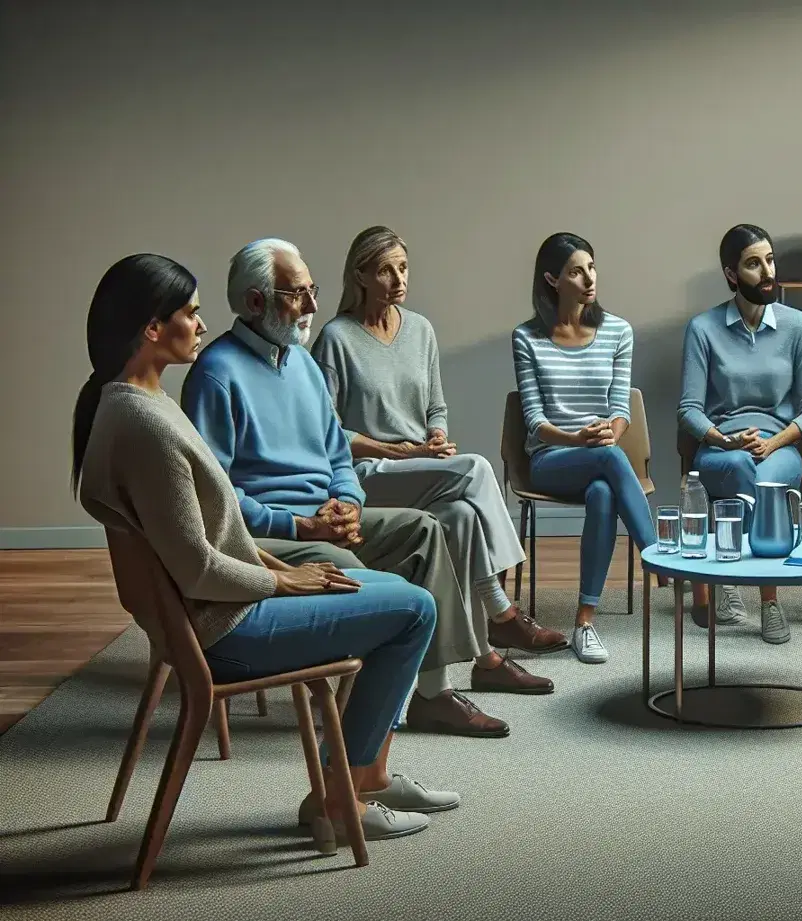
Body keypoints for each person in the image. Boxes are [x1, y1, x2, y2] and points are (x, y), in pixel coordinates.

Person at [75, 254, 455, 843]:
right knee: (414, 610)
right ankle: (337, 799)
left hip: (219, 614)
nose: (203, 325)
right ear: (153, 327)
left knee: (402, 593)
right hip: (226, 632)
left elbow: (208, 533)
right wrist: (285, 579)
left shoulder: (136, 405)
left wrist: (281, 564)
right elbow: (200, 570)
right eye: (191, 314)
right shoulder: (146, 424)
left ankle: (366, 779)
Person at [181, 239, 524, 741]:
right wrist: (301, 524)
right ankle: (360, 709)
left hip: (327, 515)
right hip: (272, 536)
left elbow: (337, 455)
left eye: (313, 290)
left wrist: (349, 501)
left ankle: (434, 695)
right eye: (297, 295)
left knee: (427, 531)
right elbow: (218, 501)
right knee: (359, 579)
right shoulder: (216, 374)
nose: (314, 307)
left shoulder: (300, 363)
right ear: (256, 302)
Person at [311, 226, 566, 680]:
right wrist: (396, 450)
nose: (398, 279)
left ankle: (486, 659)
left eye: (403, 268)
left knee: (464, 518)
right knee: (478, 467)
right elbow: (326, 431)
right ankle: (503, 612)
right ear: (361, 276)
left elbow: (435, 405)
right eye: (386, 270)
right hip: (369, 472)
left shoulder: (421, 330)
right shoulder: (336, 338)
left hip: (421, 466)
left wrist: (436, 437)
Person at [513, 232, 657, 665]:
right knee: (610, 460)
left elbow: (620, 407)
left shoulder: (617, 331)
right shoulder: (527, 337)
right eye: (577, 271)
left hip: (600, 456)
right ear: (553, 280)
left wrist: (610, 432)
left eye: (591, 267)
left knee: (603, 491)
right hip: (550, 459)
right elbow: (535, 421)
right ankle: (658, 557)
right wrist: (579, 439)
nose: (589, 278)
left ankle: (584, 622)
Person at [678, 224, 802, 644]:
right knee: (741, 465)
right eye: (753, 264)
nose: (767, 272)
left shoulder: (798, 327)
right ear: (731, 275)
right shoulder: (703, 329)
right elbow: (688, 409)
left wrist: (775, 442)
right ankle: (762, 595)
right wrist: (724, 441)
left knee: (763, 477)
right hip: (721, 450)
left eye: (770, 260)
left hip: (779, 447)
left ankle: (749, 587)